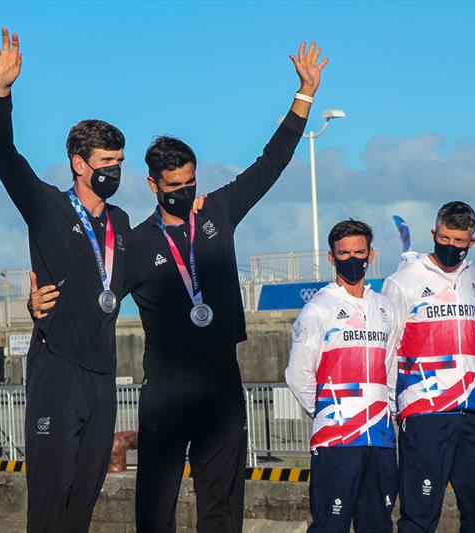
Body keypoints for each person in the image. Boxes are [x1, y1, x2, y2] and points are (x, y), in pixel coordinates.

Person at [31, 40, 329, 532]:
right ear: (153, 184)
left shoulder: (218, 213)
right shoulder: (135, 240)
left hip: (221, 384)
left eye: (190, 182)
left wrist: (304, 96)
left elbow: (270, 163)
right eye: (174, 186)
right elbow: (93, 293)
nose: (185, 192)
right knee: (155, 509)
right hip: (166, 391)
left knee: (223, 503)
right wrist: (36, 301)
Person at [0, 28, 130, 532]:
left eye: (119, 163)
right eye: (106, 163)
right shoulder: (46, 206)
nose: (114, 171)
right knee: (50, 496)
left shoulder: (121, 224)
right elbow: (5, 157)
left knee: (85, 499)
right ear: (79, 163)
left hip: (102, 376)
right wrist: (0, 93)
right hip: (57, 370)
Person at [381, 201, 475, 533]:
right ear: (434, 233)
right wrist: (395, 407)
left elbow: (473, 332)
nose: (451, 246)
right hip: (425, 412)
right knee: (420, 515)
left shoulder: (474, 278)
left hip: (474, 410)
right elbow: (389, 350)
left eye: (459, 241)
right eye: (445, 238)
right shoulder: (402, 281)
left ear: (471, 242)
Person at [285, 220, 400, 533]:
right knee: (330, 526)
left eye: (359, 252)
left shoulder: (384, 307)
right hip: (336, 439)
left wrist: (387, 412)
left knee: (378, 526)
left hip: (379, 437)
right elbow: (298, 375)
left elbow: (390, 369)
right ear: (332, 258)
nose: (353, 260)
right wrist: (327, 413)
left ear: (371, 254)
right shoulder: (317, 309)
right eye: (344, 254)